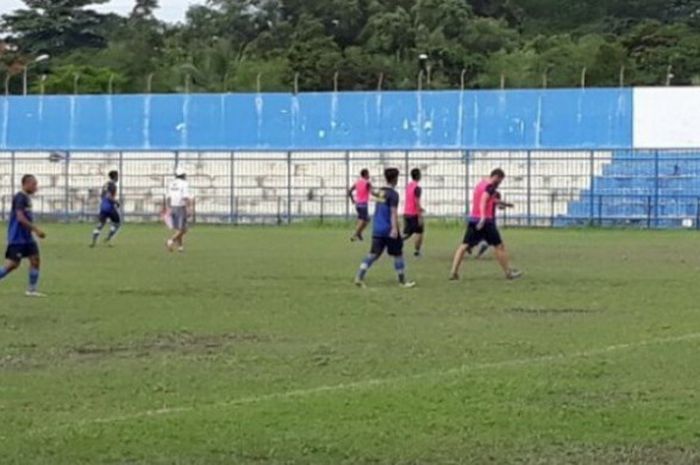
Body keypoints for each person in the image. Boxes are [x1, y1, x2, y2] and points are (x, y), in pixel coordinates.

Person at [450, 169, 522, 281]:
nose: (500, 183)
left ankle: (454, 272)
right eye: (500, 180)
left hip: (474, 219)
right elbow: (483, 200)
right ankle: (509, 273)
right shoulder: (490, 186)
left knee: (463, 246)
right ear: (496, 176)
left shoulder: (481, 184)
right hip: (486, 221)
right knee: (499, 246)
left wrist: (505, 204)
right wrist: (483, 217)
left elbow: (491, 199)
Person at [354, 168, 415, 289]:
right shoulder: (393, 194)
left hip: (378, 228)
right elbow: (393, 212)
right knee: (398, 254)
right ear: (395, 179)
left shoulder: (381, 192)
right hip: (389, 229)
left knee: (373, 254)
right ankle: (402, 282)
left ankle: (359, 277)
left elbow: (379, 209)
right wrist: (394, 229)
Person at [0, 175, 47, 297]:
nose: (36, 187)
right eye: (34, 184)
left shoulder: (26, 198)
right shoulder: (20, 197)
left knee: (35, 260)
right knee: (12, 265)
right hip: (17, 237)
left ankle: (31, 290)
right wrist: (36, 229)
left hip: (27, 238)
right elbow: (20, 218)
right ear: (26, 184)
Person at [90, 170, 121, 248]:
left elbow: (102, 196)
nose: (118, 178)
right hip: (110, 208)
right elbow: (108, 196)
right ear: (115, 177)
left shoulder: (105, 185)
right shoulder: (112, 185)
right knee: (117, 223)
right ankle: (109, 238)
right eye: (117, 176)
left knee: (100, 224)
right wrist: (116, 202)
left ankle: (94, 242)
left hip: (103, 207)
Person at [166, 167, 192, 252]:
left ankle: (180, 247)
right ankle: (171, 241)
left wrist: (169, 208)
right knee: (184, 229)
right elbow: (185, 197)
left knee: (178, 229)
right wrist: (188, 208)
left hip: (173, 206)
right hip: (181, 207)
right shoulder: (184, 184)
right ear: (183, 175)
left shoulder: (171, 183)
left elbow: (168, 197)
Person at [403, 168, 425, 257]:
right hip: (414, 213)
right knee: (419, 232)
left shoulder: (408, 186)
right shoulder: (417, 188)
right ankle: (417, 251)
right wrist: (419, 215)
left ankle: (395, 242)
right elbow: (416, 201)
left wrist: (420, 208)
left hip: (406, 212)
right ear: (419, 176)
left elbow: (410, 199)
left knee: (408, 233)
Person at [348, 169, 372, 241]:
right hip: (363, 205)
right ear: (365, 175)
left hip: (358, 205)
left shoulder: (357, 182)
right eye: (368, 174)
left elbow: (350, 191)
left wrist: (352, 200)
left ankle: (359, 233)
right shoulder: (367, 183)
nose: (369, 176)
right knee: (364, 220)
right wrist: (381, 196)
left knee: (365, 219)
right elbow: (373, 193)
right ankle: (355, 235)